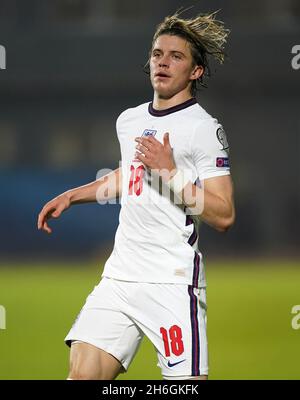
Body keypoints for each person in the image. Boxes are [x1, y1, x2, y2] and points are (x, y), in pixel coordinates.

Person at [37, 10, 235, 380]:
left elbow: (224, 215)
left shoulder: (204, 129)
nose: (163, 62)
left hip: (172, 282)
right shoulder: (128, 120)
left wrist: (171, 173)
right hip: (120, 277)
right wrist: (72, 195)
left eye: (176, 56)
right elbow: (129, 176)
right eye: (158, 53)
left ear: (196, 71)